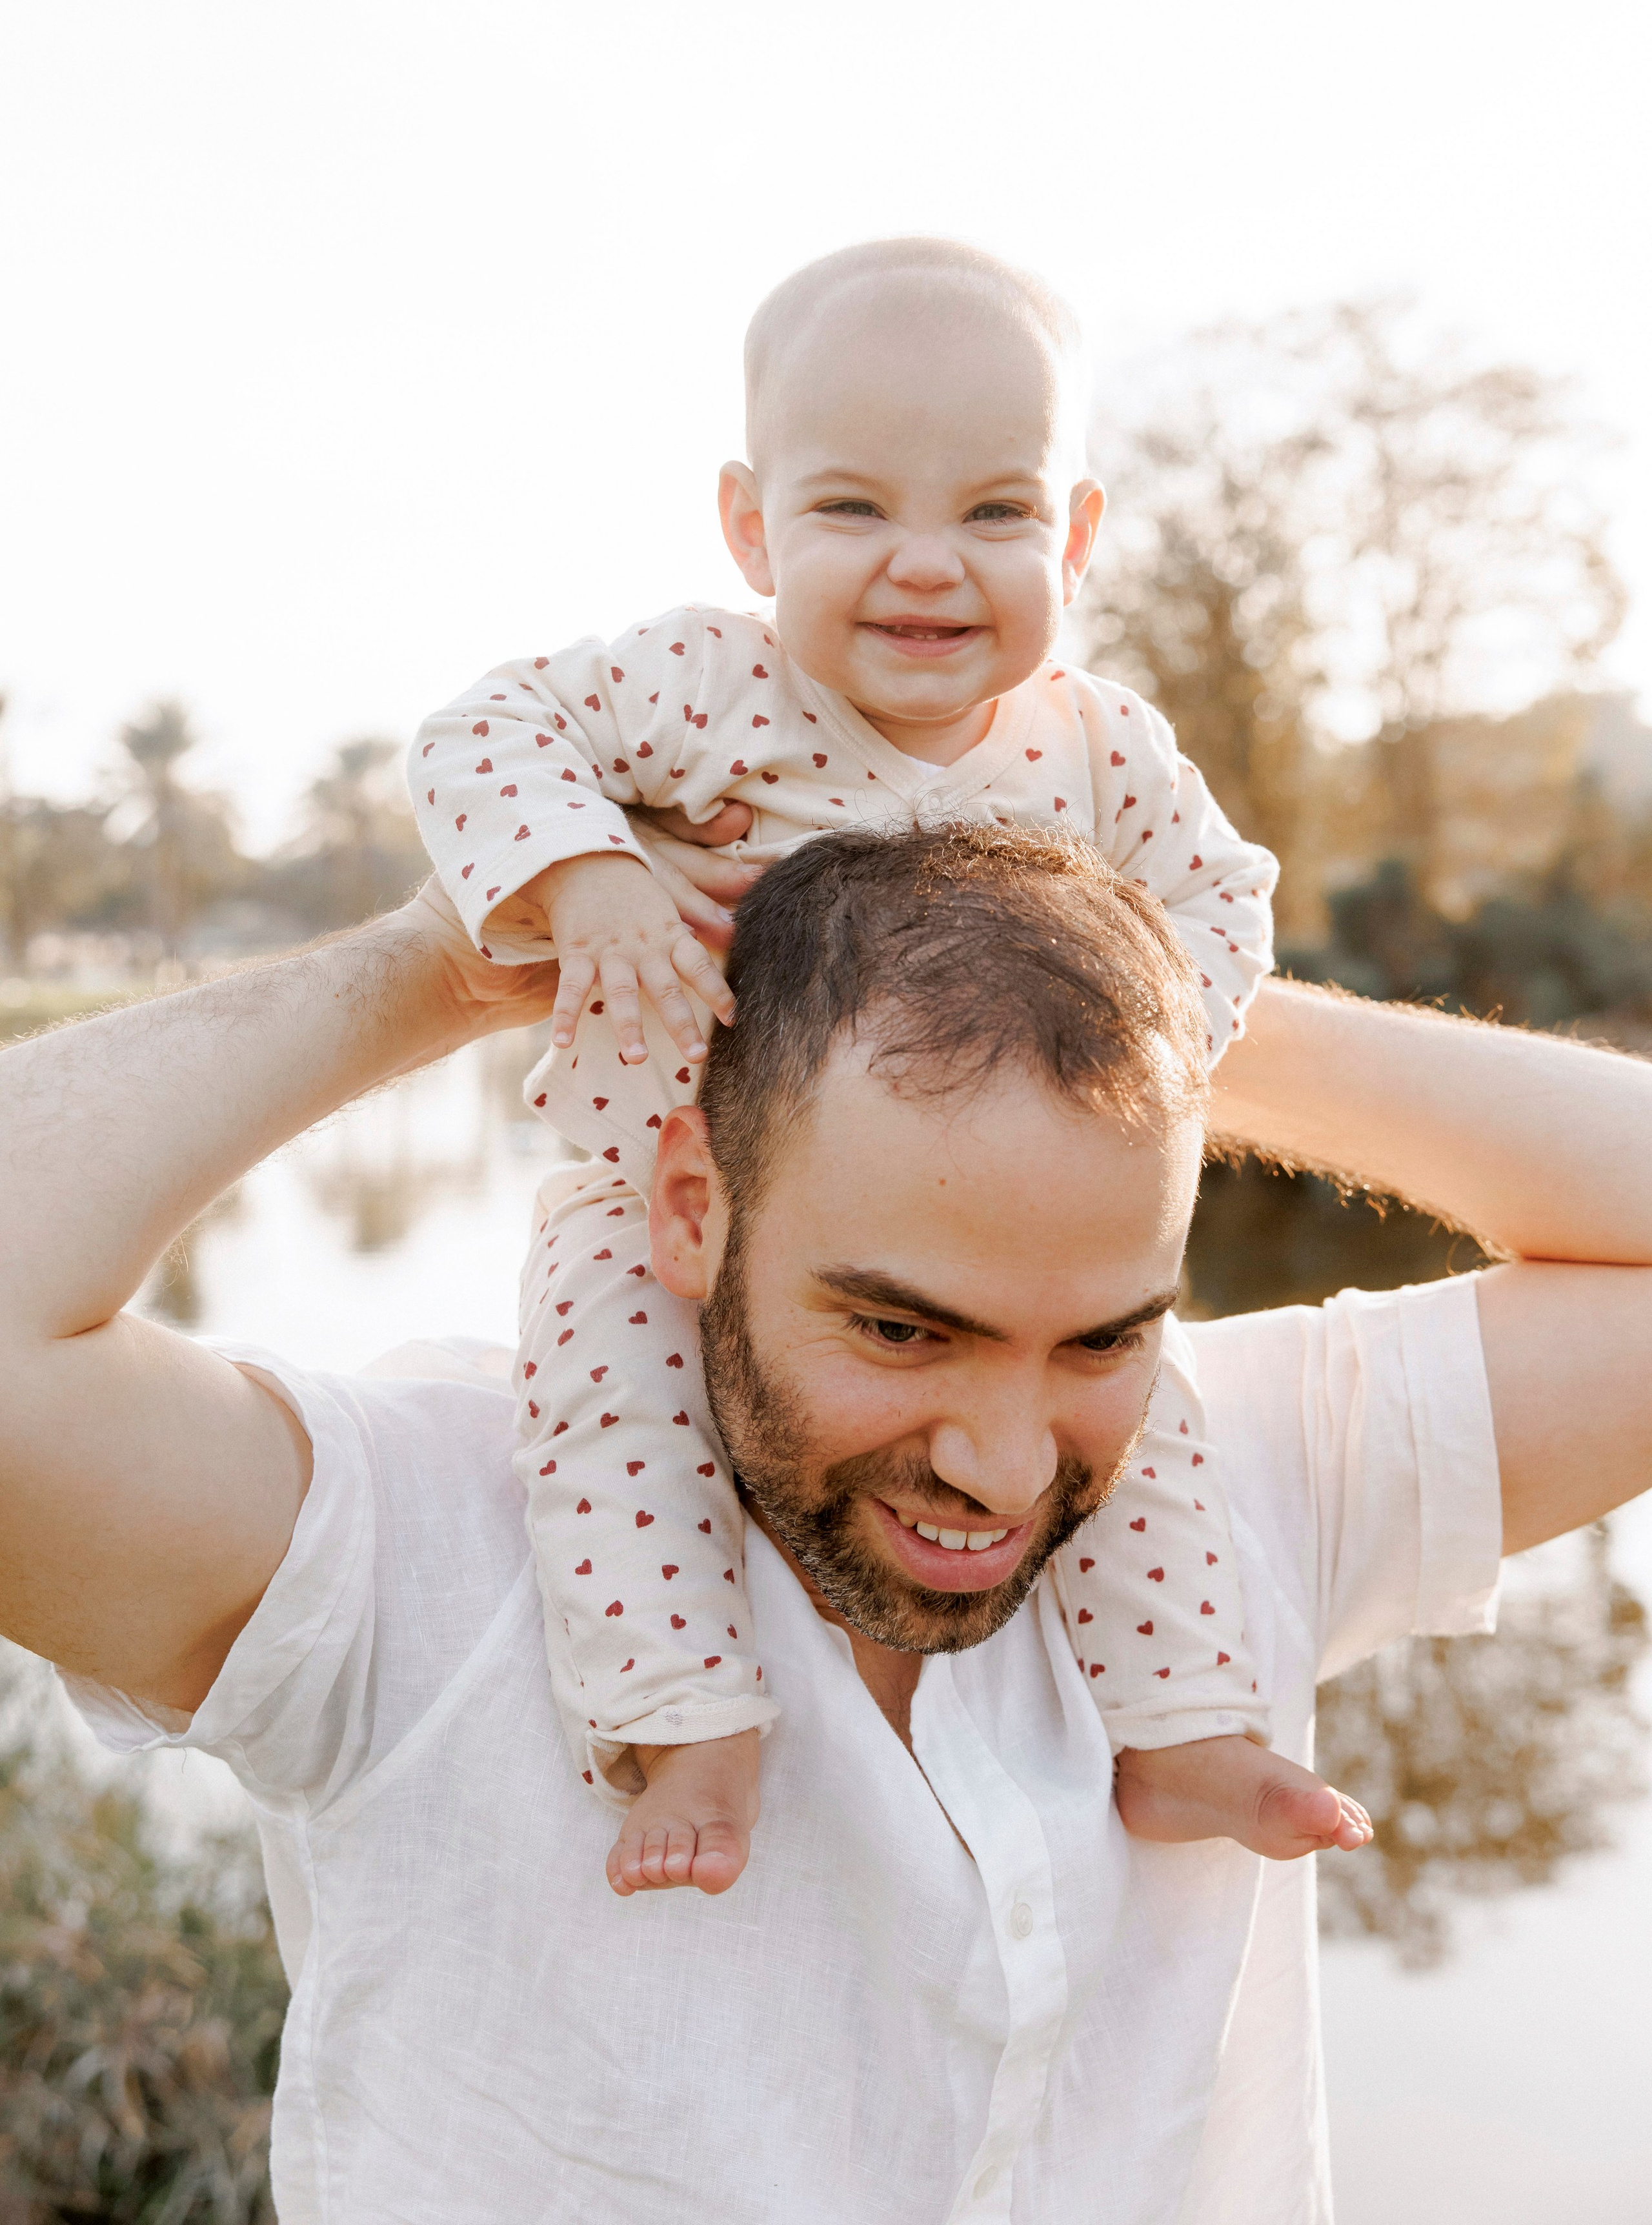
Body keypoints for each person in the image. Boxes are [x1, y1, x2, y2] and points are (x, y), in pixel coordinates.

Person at [3, 825, 1651, 2224]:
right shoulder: (411, 1538)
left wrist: (1120, 973)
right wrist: (445, 961)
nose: (1009, 1471)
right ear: (685, 1208)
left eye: (1100, 1337)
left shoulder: (1231, 1491)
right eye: (899, 1330)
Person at [410, 235, 1350, 1896]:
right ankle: (684, 1717)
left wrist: (1152, 1050)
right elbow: (481, 734)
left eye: (992, 514)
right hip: (659, 1177)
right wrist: (593, 879)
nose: (926, 564)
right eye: (852, 511)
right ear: (751, 528)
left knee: (1142, 1427)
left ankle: (1186, 1727)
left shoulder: (1095, 745)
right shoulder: (708, 687)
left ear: (1071, 537)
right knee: (608, 1413)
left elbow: (1223, 898)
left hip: (997, 1242)